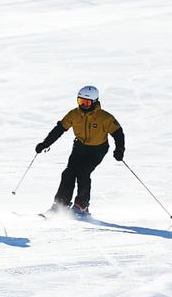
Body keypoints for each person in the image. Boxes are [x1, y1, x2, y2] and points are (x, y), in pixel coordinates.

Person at [35, 86, 125, 216]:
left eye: (87, 103)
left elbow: (118, 133)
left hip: (97, 150)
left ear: (94, 102)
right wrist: (45, 144)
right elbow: (59, 129)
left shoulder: (104, 117)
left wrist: (120, 149)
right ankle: (61, 204)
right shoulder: (74, 114)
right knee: (68, 172)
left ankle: (81, 206)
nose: (83, 105)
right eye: (80, 101)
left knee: (82, 172)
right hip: (79, 147)